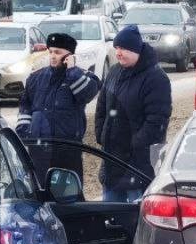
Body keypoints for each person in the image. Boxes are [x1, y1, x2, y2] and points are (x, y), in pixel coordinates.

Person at [94, 24, 172, 202]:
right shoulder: (114, 72)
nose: (119, 53)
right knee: (109, 218)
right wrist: (101, 134)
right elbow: (101, 107)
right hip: (111, 159)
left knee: (134, 219)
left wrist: (134, 143)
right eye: (117, 48)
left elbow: (157, 120)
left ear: (136, 50)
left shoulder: (155, 78)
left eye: (124, 48)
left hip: (137, 163)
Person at [16, 31, 101, 181]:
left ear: (69, 55)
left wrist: (72, 71)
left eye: (58, 52)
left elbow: (87, 94)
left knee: (68, 196)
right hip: (39, 149)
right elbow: (25, 105)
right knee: (41, 194)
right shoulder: (36, 77)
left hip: (67, 149)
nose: (53, 56)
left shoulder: (82, 76)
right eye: (51, 52)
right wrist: (24, 132)